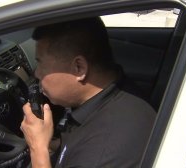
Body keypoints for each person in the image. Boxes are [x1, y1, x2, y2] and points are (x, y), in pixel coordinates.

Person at [20, 17, 156, 168]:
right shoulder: (120, 92)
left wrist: (37, 148)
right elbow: (79, 142)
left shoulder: (100, 154)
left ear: (79, 68)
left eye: (41, 64)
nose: (36, 73)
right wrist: (52, 143)